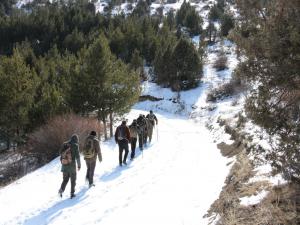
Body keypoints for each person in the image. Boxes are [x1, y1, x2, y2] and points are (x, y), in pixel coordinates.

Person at [58, 134, 81, 199]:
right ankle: (72, 193)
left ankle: (61, 191)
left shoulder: (64, 144)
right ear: (76, 140)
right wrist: (79, 165)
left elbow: (60, 154)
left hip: (64, 166)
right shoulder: (75, 146)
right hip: (72, 167)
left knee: (65, 180)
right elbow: (78, 157)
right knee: (73, 180)